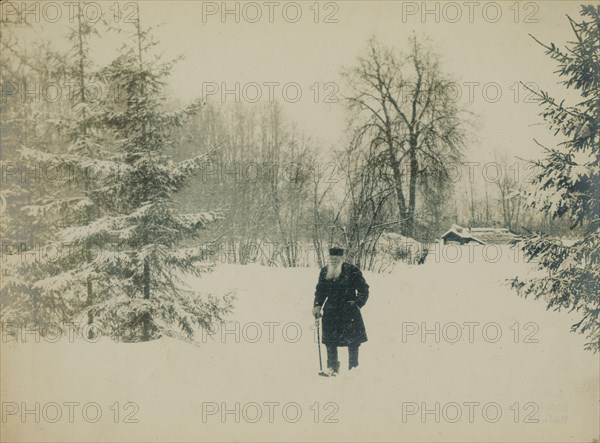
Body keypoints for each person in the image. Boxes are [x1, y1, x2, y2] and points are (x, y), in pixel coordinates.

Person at [312, 247, 369, 376]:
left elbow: (364, 289)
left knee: (353, 341)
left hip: (349, 312)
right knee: (330, 341)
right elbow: (320, 291)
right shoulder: (325, 271)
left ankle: (353, 369)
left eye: (336, 258)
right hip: (331, 312)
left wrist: (357, 304)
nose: (334, 261)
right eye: (331, 258)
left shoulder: (352, 270)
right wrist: (317, 306)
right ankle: (332, 368)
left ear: (342, 258)